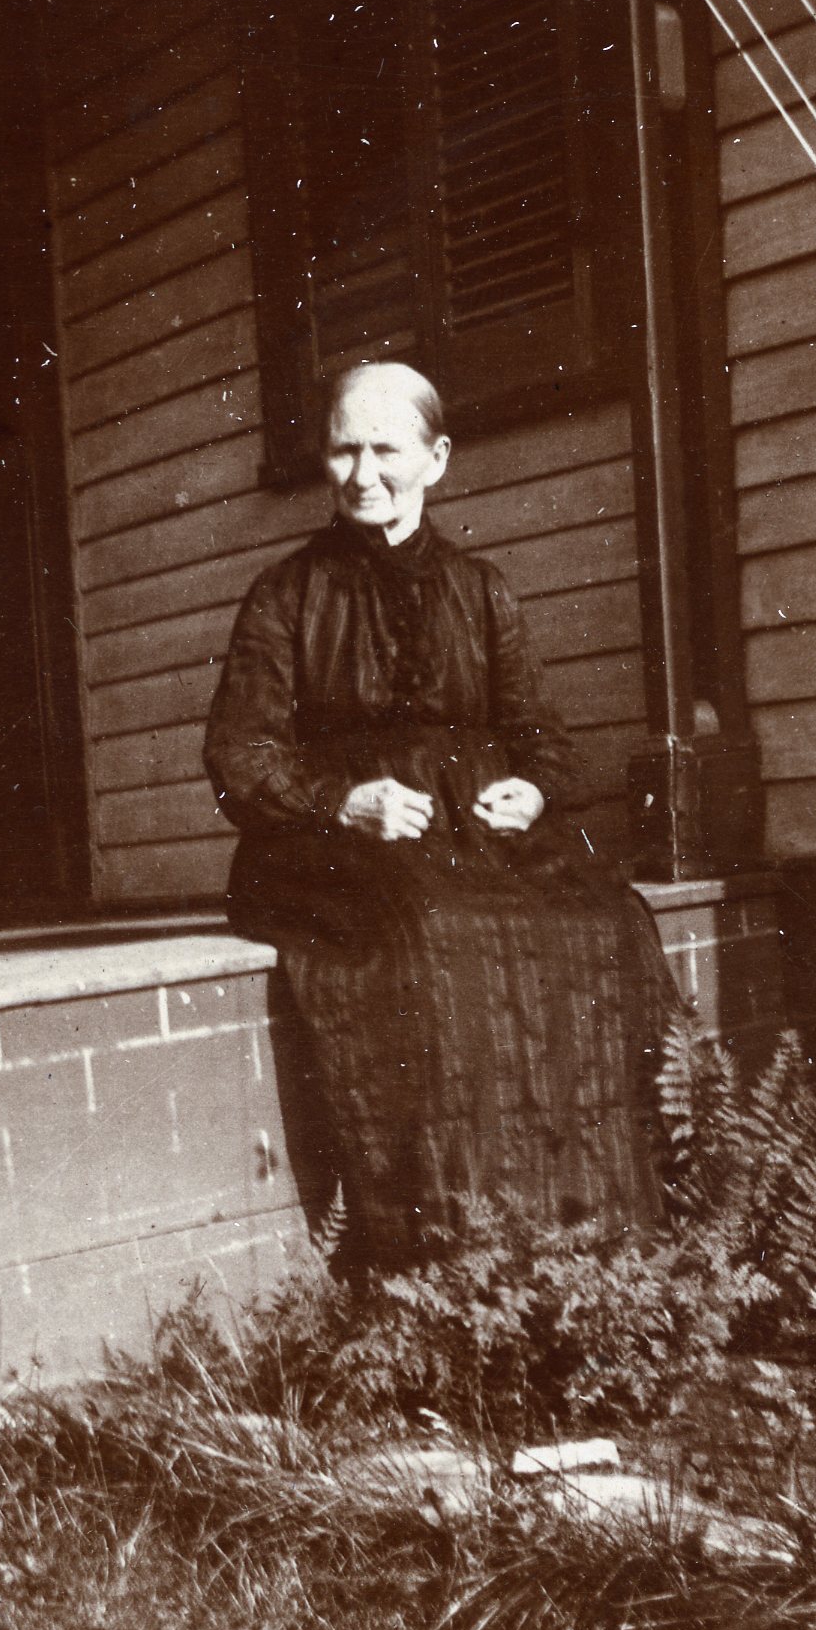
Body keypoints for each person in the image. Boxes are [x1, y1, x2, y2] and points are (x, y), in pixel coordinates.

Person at [203, 358, 680, 1266]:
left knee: (609, 919)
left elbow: (544, 738)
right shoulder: (286, 594)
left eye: (385, 450)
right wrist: (342, 802)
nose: (362, 474)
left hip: (472, 835)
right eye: (343, 450)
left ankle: (602, 1237)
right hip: (328, 846)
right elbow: (239, 757)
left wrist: (534, 790)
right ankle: (450, 1245)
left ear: (438, 458)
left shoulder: (482, 589)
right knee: (427, 929)